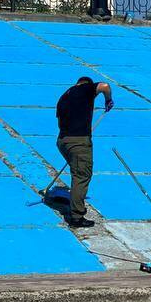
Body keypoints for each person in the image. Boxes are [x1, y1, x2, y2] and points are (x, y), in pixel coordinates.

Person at [55, 75, 114, 227]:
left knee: (77, 172)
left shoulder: (64, 97)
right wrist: (108, 99)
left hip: (63, 141)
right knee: (81, 176)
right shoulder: (85, 89)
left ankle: (75, 208)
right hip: (78, 142)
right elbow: (105, 86)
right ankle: (77, 217)